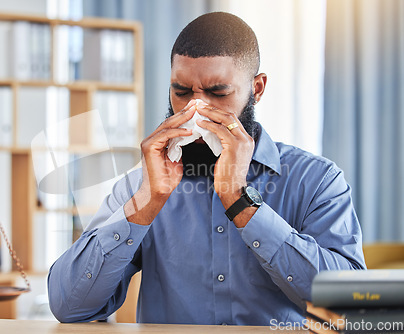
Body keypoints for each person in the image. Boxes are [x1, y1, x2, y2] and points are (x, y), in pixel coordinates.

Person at [47, 11, 366, 326]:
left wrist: (242, 202)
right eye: (181, 92)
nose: (194, 112)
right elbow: (68, 306)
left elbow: (352, 305)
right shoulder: (142, 186)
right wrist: (145, 204)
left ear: (256, 89)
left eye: (218, 93)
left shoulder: (317, 180)